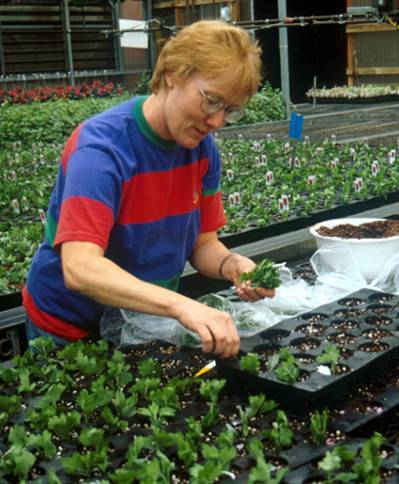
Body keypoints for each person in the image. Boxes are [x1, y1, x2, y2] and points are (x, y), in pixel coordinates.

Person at [23, 20, 275, 359]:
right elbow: (79, 268)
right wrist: (180, 306)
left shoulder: (201, 149)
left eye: (230, 111)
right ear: (173, 75)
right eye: (211, 101)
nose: (216, 122)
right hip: (69, 328)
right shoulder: (102, 149)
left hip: (140, 321)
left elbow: (203, 244)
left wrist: (231, 264)